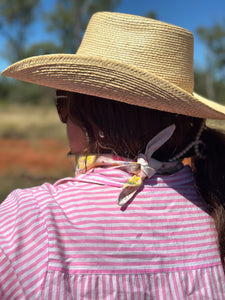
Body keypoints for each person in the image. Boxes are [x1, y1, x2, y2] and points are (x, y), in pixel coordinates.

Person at [1, 11, 225, 299]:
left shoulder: (30, 222)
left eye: (65, 107)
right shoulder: (216, 206)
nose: (64, 121)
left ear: (98, 125)